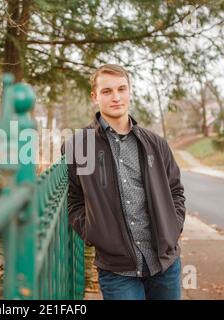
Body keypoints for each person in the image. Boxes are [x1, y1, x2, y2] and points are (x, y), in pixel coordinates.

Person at [65, 64, 186, 300]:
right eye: (107, 91)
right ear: (95, 97)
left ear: (130, 91)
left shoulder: (156, 143)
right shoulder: (80, 146)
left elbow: (176, 191)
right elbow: (74, 199)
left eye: (122, 89)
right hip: (117, 270)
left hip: (165, 265)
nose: (116, 97)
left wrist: (174, 226)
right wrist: (93, 233)